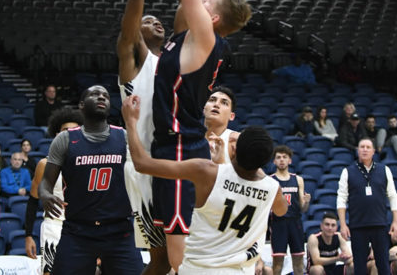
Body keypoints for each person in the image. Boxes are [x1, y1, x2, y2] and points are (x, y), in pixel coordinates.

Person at [151, 0, 252, 270]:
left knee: (178, 260)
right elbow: (183, 2)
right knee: (165, 254)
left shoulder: (206, 39)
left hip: (179, 148)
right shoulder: (194, 37)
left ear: (213, 18)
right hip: (173, 146)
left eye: (208, 0)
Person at [122, 94, 288, 274]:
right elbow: (281, 210)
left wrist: (131, 122)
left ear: (235, 148)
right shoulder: (272, 188)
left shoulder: (206, 171)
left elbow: (141, 164)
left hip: (198, 269)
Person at [115, 0, 171, 274]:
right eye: (146, 19)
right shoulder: (134, 59)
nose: (154, 20)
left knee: (174, 258)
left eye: (157, 19)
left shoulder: (173, 61)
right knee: (163, 258)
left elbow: (191, 6)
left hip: (173, 161)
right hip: (145, 164)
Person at [38, 85, 143, 275]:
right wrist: (45, 195)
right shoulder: (64, 139)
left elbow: (143, 171)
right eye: (95, 94)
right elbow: (46, 182)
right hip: (78, 231)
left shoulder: (124, 137)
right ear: (81, 105)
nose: (101, 97)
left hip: (119, 230)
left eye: (105, 96)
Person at [24, 108, 84, 274]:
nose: (70, 134)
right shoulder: (44, 165)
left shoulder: (88, 163)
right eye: (66, 130)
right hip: (54, 225)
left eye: (75, 130)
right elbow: (33, 200)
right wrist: (28, 235)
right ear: (57, 134)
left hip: (81, 226)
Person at [337, 138, 397, 275]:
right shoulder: (347, 171)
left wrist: (395, 221)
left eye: (368, 147)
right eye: (362, 147)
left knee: (383, 264)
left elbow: (393, 195)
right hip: (358, 225)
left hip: (380, 224)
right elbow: (341, 199)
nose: (365, 149)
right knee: (359, 266)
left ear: (373, 151)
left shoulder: (384, 170)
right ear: (358, 150)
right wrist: (343, 224)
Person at [269, 145, 311, 275]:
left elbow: (303, 208)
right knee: (277, 262)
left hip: (295, 222)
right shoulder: (270, 181)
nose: (281, 160)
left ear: (290, 160)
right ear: (274, 161)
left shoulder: (298, 180)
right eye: (278, 157)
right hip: (278, 223)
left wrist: (307, 202)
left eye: (284, 157)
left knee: (298, 261)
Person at [203, 86, 238, 165]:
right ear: (204, 109)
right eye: (212, 100)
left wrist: (220, 163)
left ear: (231, 116)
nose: (216, 104)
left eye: (224, 103)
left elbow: (253, 172)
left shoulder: (236, 141)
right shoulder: (189, 136)